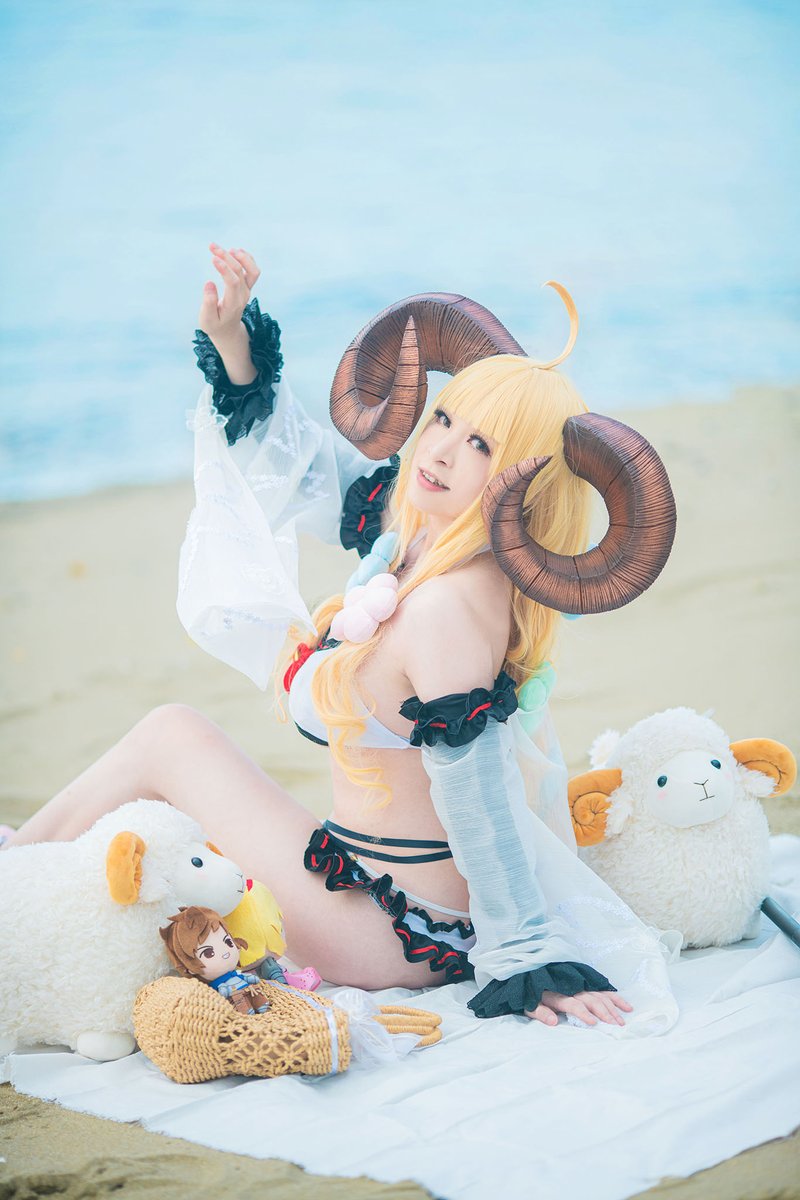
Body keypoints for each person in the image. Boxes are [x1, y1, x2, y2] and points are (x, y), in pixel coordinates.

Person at [4, 244, 679, 1034]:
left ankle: (13, 869)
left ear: (521, 480)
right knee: (159, 779)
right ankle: (19, 867)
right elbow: (304, 471)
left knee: (170, 738)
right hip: (358, 876)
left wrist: (528, 957)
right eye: (445, 419)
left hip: (393, 925)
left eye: (482, 446)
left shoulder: (450, 604)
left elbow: (482, 799)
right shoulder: (413, 537)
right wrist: (232, 342)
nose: (440, 450)